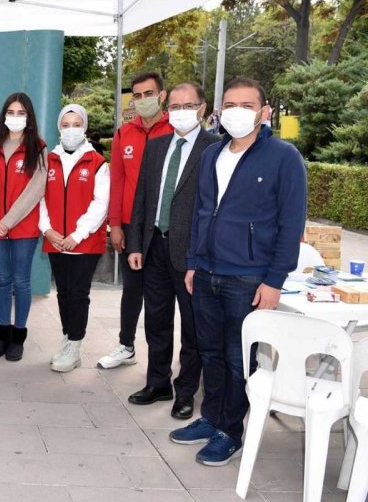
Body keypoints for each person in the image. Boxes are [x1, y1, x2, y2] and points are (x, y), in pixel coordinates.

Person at [172, 77, 306, 466]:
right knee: (210, 352)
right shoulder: (212, 154)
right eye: (230, 105)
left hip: (248, 277)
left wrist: (274, 280)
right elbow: (201, 212)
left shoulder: (284, 157)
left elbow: (291, 225)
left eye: (246, 105)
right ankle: (211, 417)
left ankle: (230, 431)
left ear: (264, 112)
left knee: (237, 357)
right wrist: (194, 262)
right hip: (206, 272)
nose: (237, 112)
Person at [126, 82, 219, 420]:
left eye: (188, 105)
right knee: (156, 321)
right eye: (175, 106)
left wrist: (201, 255)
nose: (181, 112)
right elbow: (142, 198)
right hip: (154, 247)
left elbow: (213, 207)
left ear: (202, 109)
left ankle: (186, 392)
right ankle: (158, 382)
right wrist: (136, 244)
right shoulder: (156, 146)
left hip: (191, 255)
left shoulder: (214, 148)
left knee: (192, 328)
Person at [98, 71, 174, 370]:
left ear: (162, 95)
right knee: (132, 290)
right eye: (137, 95)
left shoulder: (176, 130)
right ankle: (126, 346)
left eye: (149, 94)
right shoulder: (124, 133)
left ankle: (171, 359)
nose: (143, 100)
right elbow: (117, 180)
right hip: (132, 226)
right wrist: (115, 224)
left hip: (166, 227)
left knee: (166, 295)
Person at [40, 104, 110, 373]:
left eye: (77, 125)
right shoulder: (49, 160)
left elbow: (100, 204)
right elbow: (40, 198)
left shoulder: (97, 162)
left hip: (84, 243)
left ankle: (75, 346)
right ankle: (67, 337)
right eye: (66, 125)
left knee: (79, 294)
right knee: (63, 293)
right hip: (55, 240)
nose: (71, 130)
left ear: (85, 128)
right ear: (59, 128)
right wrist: (47, 230)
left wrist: (78, 234)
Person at [0, 92, 47, 362]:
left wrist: (8, 221)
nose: (15, 117)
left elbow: (36, 189)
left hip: (23, 228)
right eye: (11, 112)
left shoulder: (38, 147)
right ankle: (2, 335)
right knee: (1, 280)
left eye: (21, 113)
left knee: (21, 281)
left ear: (29, 118)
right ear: (4, 116)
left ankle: (18, 337)